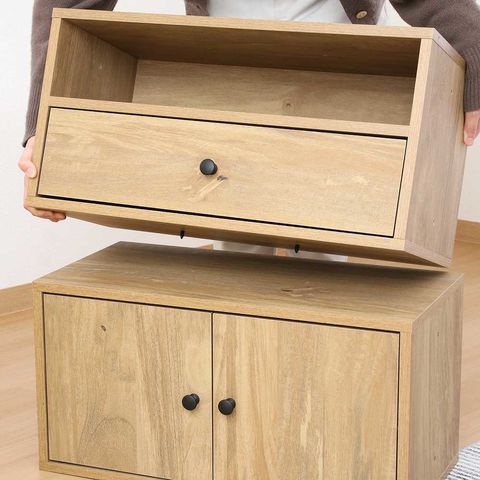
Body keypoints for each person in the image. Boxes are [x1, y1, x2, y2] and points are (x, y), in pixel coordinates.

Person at [18, 0, 480, 254]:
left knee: (328, 230)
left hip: (338, 50)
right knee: (234, 227)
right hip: (226, 51)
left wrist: (476, 60)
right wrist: (44, 126)